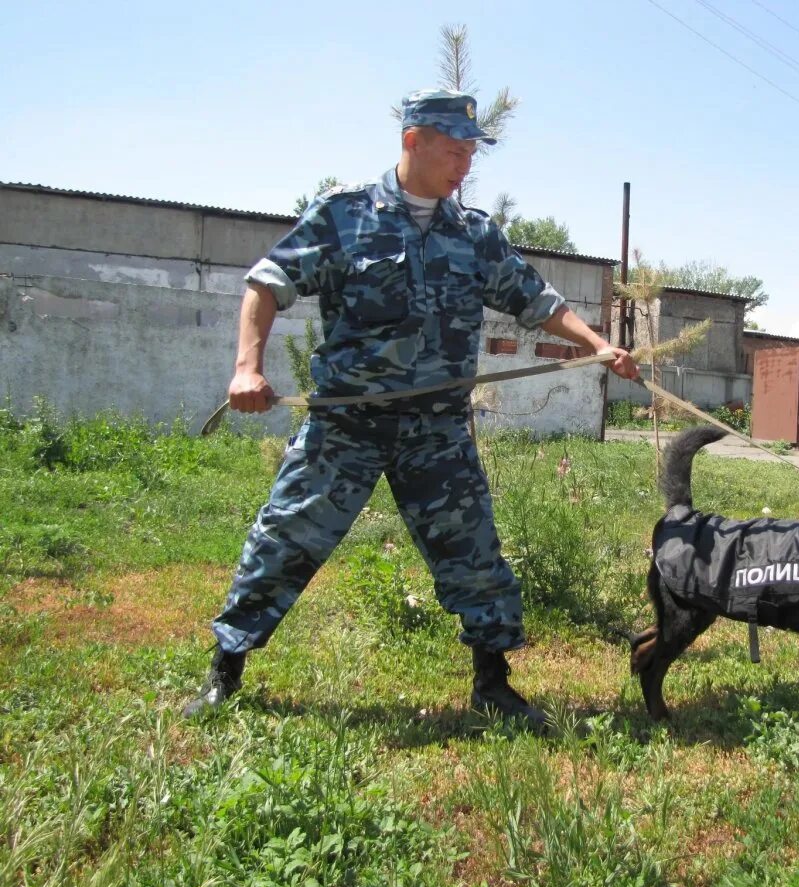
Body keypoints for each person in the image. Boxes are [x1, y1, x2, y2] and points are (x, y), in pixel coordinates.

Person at [182, 89, 638, 728]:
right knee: (286, 538)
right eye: (454, 150)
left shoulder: (474, 233)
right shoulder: (345, 217)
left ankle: (492, 683)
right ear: (413, 141)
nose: (463, 166)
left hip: (437, 430)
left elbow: (536, 300)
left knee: (474, 552)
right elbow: (265, 285)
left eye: (471, 154)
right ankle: (225, 670)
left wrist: (599, 345)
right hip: (347, 424)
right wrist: (246, 368)